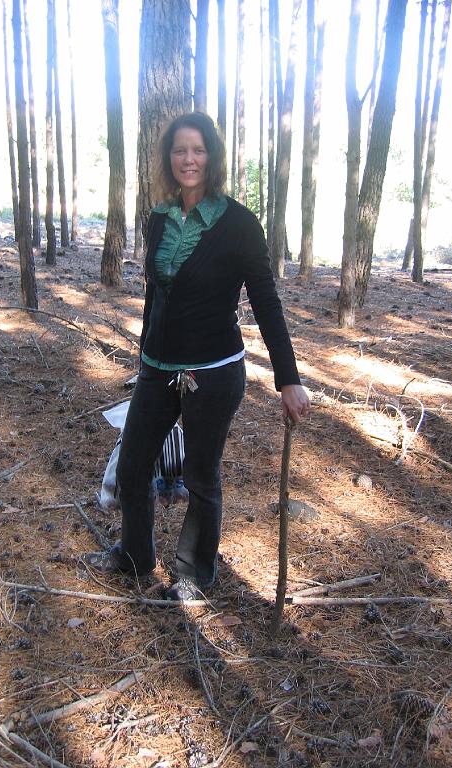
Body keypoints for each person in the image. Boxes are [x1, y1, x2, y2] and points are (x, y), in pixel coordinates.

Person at [83, 111, 310, 601]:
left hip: (213, 373)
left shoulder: (239, 224)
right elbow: (156, 294)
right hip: (158, 369)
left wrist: (288, 379)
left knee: (200, 477)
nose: (189, 159)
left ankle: (194, 574)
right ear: (169, 157)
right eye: (180, 150)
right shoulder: (159, 218)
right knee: (133, 466)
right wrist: (145, 356)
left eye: (198, 150)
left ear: (213, 157)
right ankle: (135, 556)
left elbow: (267, 303)